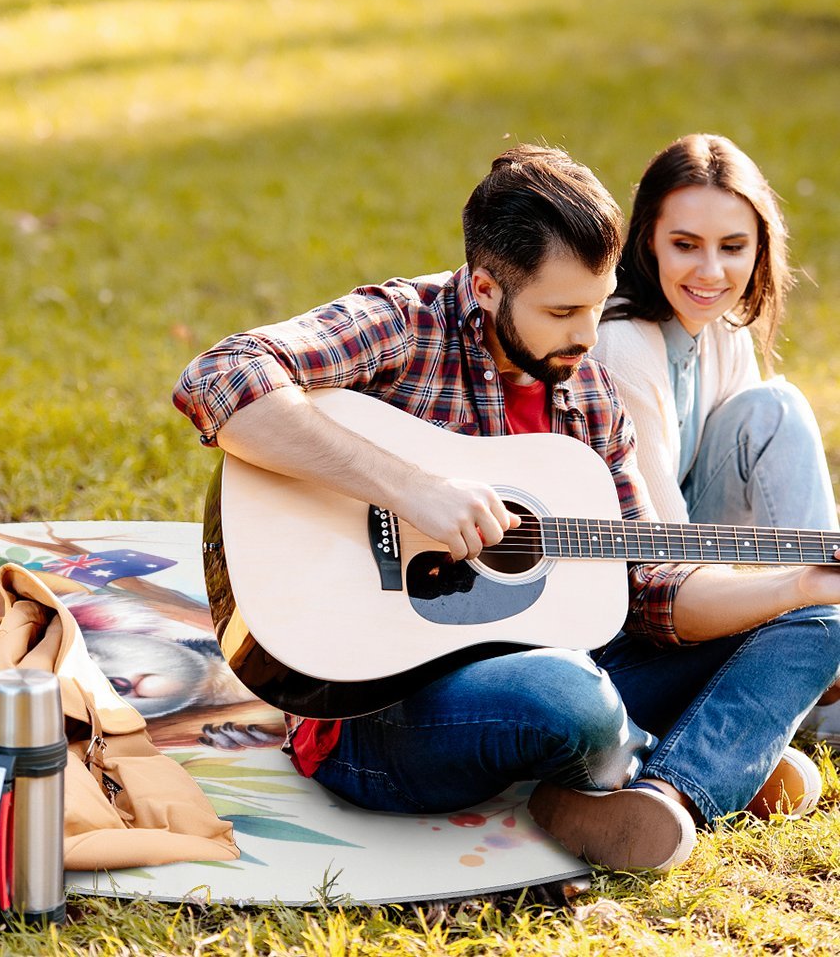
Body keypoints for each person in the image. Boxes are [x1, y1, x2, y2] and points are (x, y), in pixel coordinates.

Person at [173, 144, 840, 873]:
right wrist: (409, 488)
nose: (588, 337)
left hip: (566, 667)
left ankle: (669, 793)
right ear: (486, 287)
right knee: (569, 698)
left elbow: (649, 586)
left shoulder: (588, 392)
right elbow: (220, 376)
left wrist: (796, 585)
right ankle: (697, 753)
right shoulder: (404, 324)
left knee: (820, 621)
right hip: (378, 714)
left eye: (597, 303)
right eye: (562, 311)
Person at [593, 133, 840, 747]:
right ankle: (815, 672)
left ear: (760, 249)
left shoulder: (722, 327)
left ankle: (819, 648)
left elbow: (761, 494)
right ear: (647, 238)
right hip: (635, 603)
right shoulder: (623, 342)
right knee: (777, 408)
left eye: (733, 247)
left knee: (771, 408)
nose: (711, 272)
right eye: (685, 245)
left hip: (699, 565)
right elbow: (663, 559)